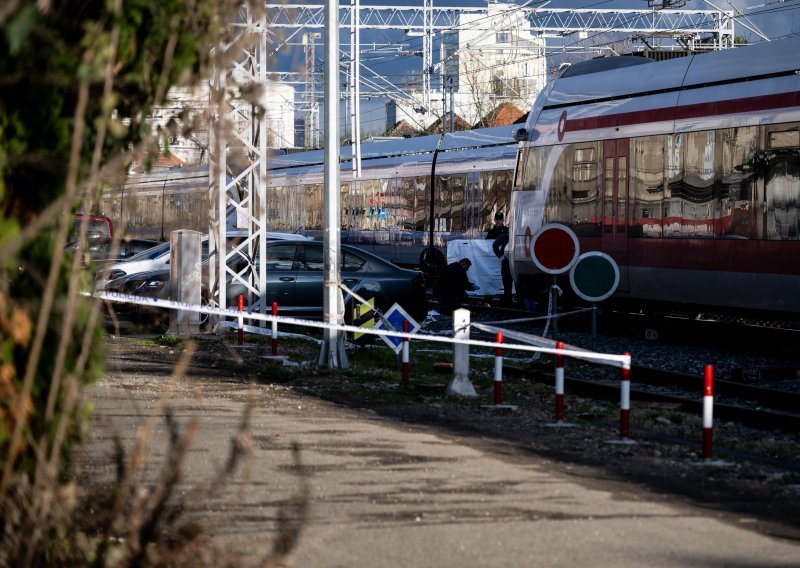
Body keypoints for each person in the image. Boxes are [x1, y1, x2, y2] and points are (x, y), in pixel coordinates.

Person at [486, 212, 513, 305]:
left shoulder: (506, 231)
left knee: (506, 279)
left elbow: (495, 245)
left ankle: (506, 298)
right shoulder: (491, 231)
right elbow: (486, 244)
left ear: (503, 220)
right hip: (496, 260)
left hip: (505, 259)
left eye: (500, 219)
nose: (498, 221)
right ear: (495, 220)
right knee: (497, 278)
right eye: (497, 219)